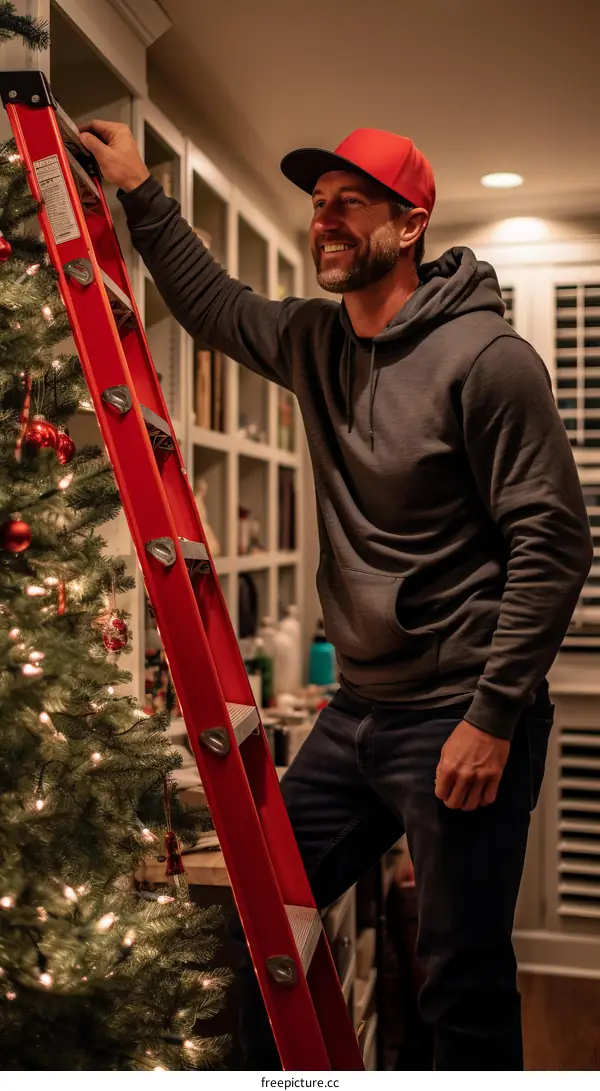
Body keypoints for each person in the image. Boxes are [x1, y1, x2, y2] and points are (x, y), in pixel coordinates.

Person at [80, 120, 593, 1070]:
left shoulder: (489, 360)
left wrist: (492, 713)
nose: (326, 222)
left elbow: (554, 542)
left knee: (461, 977)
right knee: (259, 920)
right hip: (359, 714)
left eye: (351, 203)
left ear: (412, 222)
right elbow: (214, 306)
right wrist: (140, 191)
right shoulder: (316, 340)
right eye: (318, 205)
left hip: (462, 716)